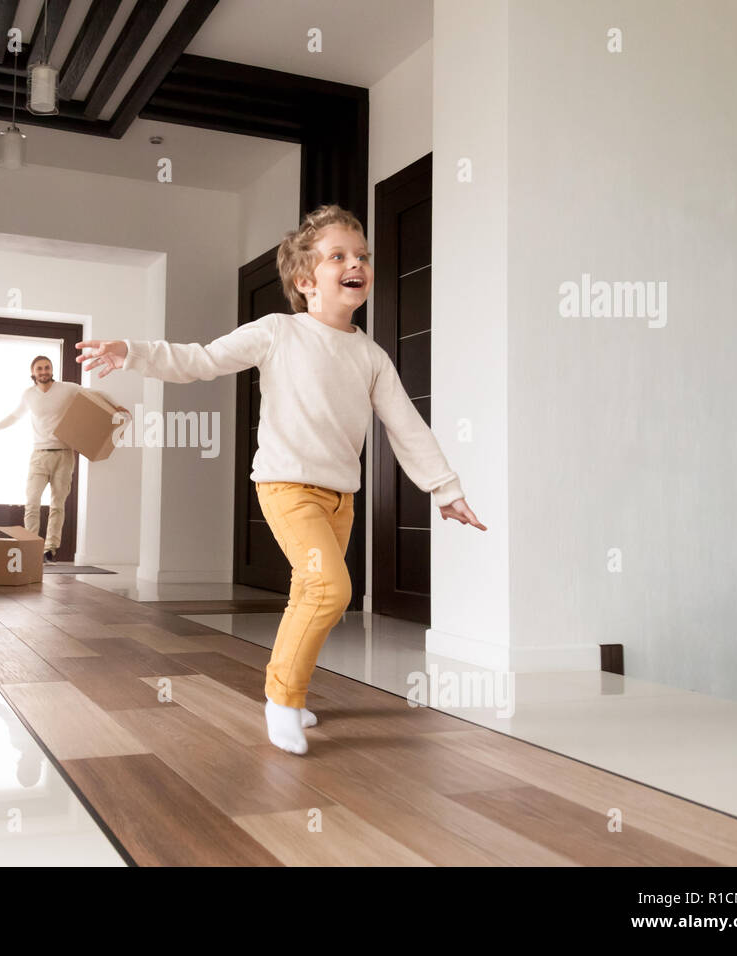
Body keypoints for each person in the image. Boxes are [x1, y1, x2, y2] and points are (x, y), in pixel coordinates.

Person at [74, 204, 487, 756]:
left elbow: (406, 424)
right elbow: (200, 360)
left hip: (341, 498)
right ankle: (283, 698)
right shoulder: (277, 332)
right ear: (303, 279)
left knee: (314, 595)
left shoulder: (370, 355)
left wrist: (446, 488)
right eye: (338, 255)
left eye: (361, 256)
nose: (355, 263)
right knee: (330, 588)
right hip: (286, 488)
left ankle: (287, 688)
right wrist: (134, 353)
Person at [0, 356, 126, 562]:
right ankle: (30, 545)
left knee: (57, 505)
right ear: (33, 372)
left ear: (51, 370)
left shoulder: (67, 389)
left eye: (47, 368)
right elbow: (13, 417)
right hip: (39, 455)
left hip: (64, 454)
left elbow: (96, 393)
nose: (43, 371)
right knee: (32, 502)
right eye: (39, 369)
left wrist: (117, 406)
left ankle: (50, 550)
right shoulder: (28, 395)